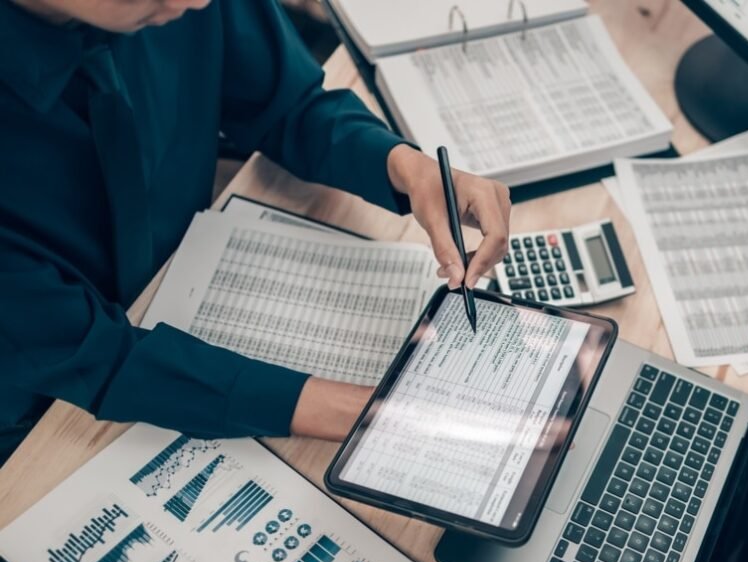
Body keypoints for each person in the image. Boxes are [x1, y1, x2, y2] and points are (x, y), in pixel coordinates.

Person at [0, 0, 512, 460]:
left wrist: (403, 167)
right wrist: (374, 411)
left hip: (194, 287)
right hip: (44, 412)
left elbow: (285, 105)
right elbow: (94, 355)